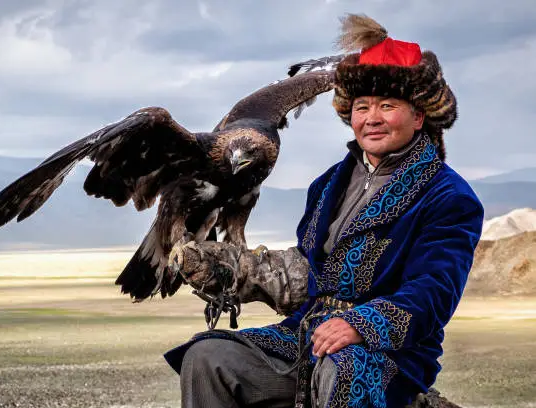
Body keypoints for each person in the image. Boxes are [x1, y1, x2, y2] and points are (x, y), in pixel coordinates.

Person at [164, 14, 484, 408]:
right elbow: (311, 271)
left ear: (419, 116)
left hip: (389, 356)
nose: (372, 118)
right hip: (307, 336)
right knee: (208, 358)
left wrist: (360, 325)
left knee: (340, 371)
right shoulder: (328, 185)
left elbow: (434, 291)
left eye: (387, 105)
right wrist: (236, 271)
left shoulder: (448, 197)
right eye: (363, 106)